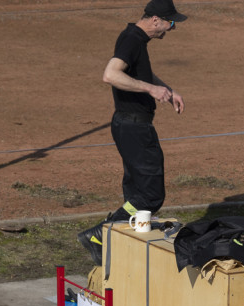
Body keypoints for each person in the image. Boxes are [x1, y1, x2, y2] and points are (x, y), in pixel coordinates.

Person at [78, 0, 186, 264]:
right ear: (155, 20)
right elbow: (111, 74)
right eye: (170, 23)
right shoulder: (132, 39)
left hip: (130, 126)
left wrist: (165, 89)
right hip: (134, 127)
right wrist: (151, 90)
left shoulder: (136, 39)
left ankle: (121, 243)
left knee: (137, 192)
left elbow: (141, 72)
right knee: (150, 194)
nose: (171, 29)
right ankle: (101, 234)